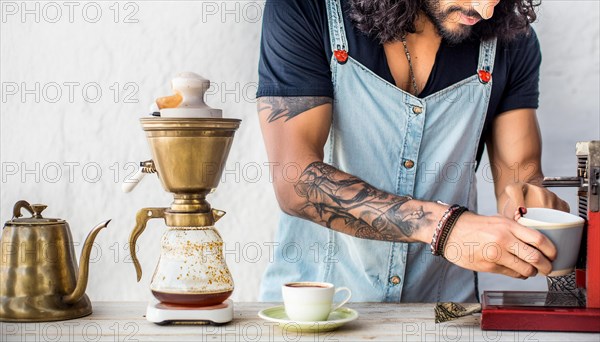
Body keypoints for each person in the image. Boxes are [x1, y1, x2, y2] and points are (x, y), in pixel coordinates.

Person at [256, 0, 569, 302]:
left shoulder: (511, 40)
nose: (486, 9)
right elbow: (295, 180)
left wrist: (529, 203)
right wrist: (444, 227)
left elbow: (520, 171)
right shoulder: (305, 8)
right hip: (311, 313)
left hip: (443, 315)